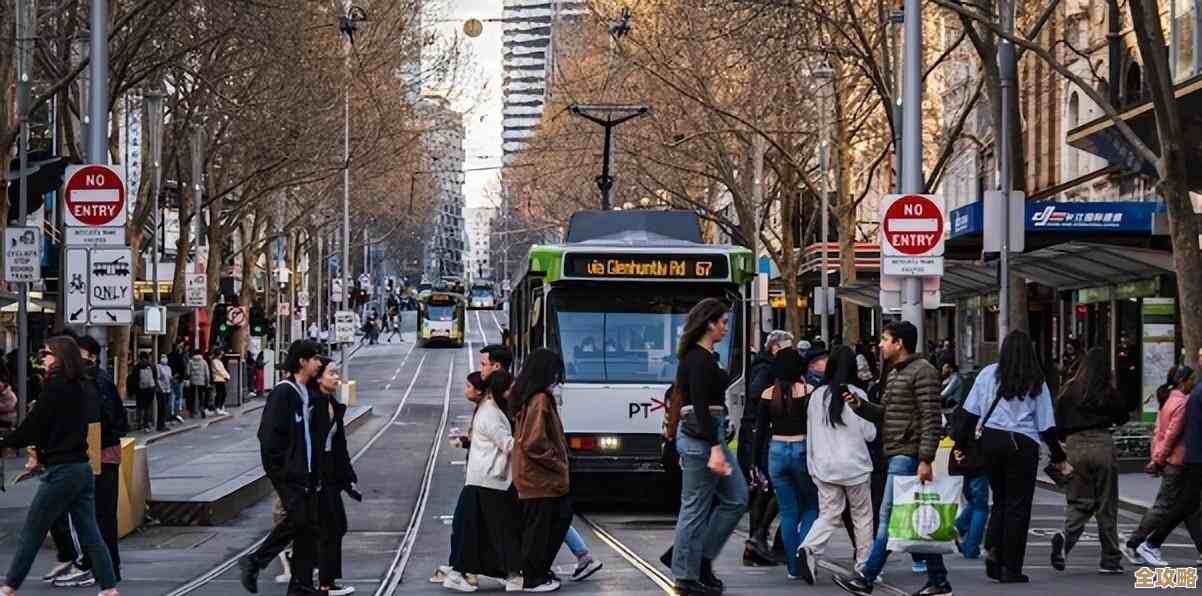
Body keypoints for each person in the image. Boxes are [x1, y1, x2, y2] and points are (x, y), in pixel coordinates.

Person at [834, 321, 951, 596]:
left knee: (888, 518)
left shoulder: (923, 371)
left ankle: (866, 578)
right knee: (916, 518)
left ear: (899, 343)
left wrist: (925, 458)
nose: (880, 345)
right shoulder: (896, 372)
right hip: (897, 451)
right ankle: (938, 581)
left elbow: (931, 418)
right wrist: (859, 405)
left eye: (885, 339)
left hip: (907, 454)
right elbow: (885, 413)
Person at [0, 336, 120, 596]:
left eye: (46, 353)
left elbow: (35, 425)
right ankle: (109, 588)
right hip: (81, 467)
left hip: (62, 470)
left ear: (59, 357)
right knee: (90, 532)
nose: (41, 358)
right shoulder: (81, 386)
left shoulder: (55, 387)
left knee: (33, 530)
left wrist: (7, 442)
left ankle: (9, 587)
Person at [952, 330, 1071, 584]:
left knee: (1000, 500)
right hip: (1023, 445)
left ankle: (993, 552)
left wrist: (960, 444)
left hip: (991, 441)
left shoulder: (987, 374)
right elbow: (1046, 426)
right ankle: (1011, 567)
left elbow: (969, 413)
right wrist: (1059, 455)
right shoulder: (1036, 380)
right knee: (1018, 506)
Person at [670, 298, 747, 595]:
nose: (726, 328)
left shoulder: (706, 357)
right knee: (694, 508)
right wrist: (715, 447)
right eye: (723, 322)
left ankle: (699, 559)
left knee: (736, 498)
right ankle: (685, 575)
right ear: (709, 324)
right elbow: (700, 406)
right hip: (702, 438)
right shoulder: (698, 360)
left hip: (709, 435)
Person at [239, 340, 327, 596]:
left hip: (306, 474)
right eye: (315, 359)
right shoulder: (284, 393)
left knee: (308, 527)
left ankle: (300, 585)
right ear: (302, 361)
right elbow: (268, 438)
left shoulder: (305, 393)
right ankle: (254, 561)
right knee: (299, 520)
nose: (319, 364)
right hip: (289, 474)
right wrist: (283, 471)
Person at [796, 345, 876, 584]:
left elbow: (810, 433)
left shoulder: (816, 396)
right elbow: (870, 433)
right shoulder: (857, 395)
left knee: (829, 513)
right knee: (862, 517)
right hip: (855, 466)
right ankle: (863, 566)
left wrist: (812, 465)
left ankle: (810, 547)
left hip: (824, 466)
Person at [1051, 346, 1130, 574]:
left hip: (1075, 446)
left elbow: (1057, 423)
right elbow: (1123, 416)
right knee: (1106, 504)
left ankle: (1065, 539)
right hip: (1102, 444)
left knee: (1079, 500)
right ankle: (1110, 559)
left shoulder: (1069, 390)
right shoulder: (1108, 391)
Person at [443, 370, 523, 593]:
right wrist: (530, 440)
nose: (513, 392)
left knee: (481, 530)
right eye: (510, 388)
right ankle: (506, 574)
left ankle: (497, 572)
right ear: (501, 390)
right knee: (501, 529)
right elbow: (507, 444)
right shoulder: (491, 413)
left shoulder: (489, 410)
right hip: (490, 480)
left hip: (484, 479)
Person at [1123, 365, 1202, 567]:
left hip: (1173, 460)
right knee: (1170, 506)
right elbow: (1171, 435)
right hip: (1178, 461)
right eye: (1191, 379)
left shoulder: (1169, 400)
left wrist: (1157, 457)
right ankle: (1137, 543)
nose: (1193, 382)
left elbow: (1159, 431)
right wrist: (1158, 459)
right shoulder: (1181, 403)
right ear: (1183, 381)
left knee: (1187, 506)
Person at [752, 347, 818, 580]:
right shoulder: (808, 391)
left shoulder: (768, 394)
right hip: (801, 449)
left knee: (788, 512)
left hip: (776, 452)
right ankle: (804, 553)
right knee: (812, 505)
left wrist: (755, 463)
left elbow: (760, 432)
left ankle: (792, 567)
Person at [509, 348, 572, 593]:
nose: (557, 378)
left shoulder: (528, 396)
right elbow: (534, 442)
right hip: (540, 477)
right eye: (555, 373)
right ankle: (534, 577)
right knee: (544, 527)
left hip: (534, 476)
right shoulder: (540, 399)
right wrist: (558, 462)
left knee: (546, 524)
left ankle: (539, 572)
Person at [741, 330, 792, 567]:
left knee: (767, 488)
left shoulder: (767, 366)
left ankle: (758, 540)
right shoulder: (766, 368)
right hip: (759, 433)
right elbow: (756, 393)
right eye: (787, 347)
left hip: (759, 433)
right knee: (766, 487)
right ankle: (757, 540)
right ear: (775, 348)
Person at [311, 357, 359, 596]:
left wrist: (348, 478)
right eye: (332, 373)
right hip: (316, 475)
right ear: (319, 378)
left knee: (337, 526)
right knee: (329, 528)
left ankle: (324, 578)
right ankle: (324, 583)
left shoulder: (331, 403)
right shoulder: (313, 404)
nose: (337, 377)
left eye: (337, 372)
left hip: (330, 473)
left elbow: (340, 444)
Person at [131, 352, 157, 431]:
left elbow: (134, 379)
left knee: (139, 407)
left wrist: (134, 390)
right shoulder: (152, 366)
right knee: (147, 407)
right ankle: (146, 424)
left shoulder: (136, 367)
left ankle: (139, 423)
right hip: (150, 389)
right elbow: (155, 377)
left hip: (140, 390)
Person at [187, 349, 212, 418]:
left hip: (192, 381)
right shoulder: (204, 362)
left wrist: (190, 377)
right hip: (201, 382)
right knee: (201, 397)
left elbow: (188, 372)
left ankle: (192, 412)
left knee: (192, 397)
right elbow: (207, 373)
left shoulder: (190, 361)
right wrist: (207, 382)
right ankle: (202, 410)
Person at [156, 355, 175, 429]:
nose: (164, 359)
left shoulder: (168, 368)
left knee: (165, 407)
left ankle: (163, 423)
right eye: (163, 357)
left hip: (168, 389)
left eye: (165, 357)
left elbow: (170, 377)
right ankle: (160, 425)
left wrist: (173, 379)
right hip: (161, 390)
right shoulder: (158, 367)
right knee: (161, 407)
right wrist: (160, 388)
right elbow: (157, 379)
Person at [211, 351, 231, 416]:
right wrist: (226, 376)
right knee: (220, 393)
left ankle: (220, 407)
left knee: (222, 393)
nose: (221, 356)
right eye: (220, 354)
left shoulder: (218, 361)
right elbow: (219, 370)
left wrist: (227, 376)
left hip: (221, 379)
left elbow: (223, 370)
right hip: (218, 379)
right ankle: (218, 407)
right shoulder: (214, 361)